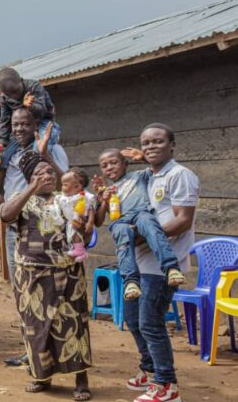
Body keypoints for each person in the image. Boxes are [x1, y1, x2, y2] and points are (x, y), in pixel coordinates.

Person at [0, 151, 92, 401]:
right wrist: (30, 189)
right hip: (31, 274)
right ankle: (41, 376)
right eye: (39, 173)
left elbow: (85, 230)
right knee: (36, 327)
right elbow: (5, 215)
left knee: (74, 326)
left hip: (67, 272)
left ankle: (81, 379)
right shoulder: (21, 199)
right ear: (29, 177)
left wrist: (84, 227)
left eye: (50, 171)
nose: (47, 175)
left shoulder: (67, 199)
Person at [118, 123, 198, 402]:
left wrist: (143, 236)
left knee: (151, 322)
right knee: (132, 319)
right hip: (138, 262)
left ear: (172, 145)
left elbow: (182, 220)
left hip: (163, 266)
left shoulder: (180, 175)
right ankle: (150, 369)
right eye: (146, 143)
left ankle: (167, 385)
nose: (151, 146)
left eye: (158, 141)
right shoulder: (144, 177)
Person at [0, 108, 69, 368]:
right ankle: (31, 348)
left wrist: (45, 155)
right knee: (23, 291)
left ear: (35, 125)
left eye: (25, 124)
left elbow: (67, 183)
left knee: (52, 295)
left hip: (49, 233)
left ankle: (55, 350)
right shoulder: (10, 152)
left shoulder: (52, 148)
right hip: (19, 228)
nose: (19, 129)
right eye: (15, 124)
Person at [93, 149, 186, 300]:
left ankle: (171, 268)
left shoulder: (139, 176)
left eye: (114, 163)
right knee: (122, 235)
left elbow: (161, 168)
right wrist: (103, 200)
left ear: (126, 164)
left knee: (150, 224)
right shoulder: (106, 190)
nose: (109, 167)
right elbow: (98, 221)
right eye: (104, 166)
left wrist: (144, 158)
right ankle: (130, 282)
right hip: (120, 221)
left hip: (141, 213)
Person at [0, 67, 59, 210]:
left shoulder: (33, 87)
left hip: (43, 123)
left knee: (39, 149)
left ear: (21, 81)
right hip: (21, 129)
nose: (14, 96)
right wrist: (1, 143)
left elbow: (42, 110)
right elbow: (4, 122)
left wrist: (31, 106)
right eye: (9, 93)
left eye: (16, 91)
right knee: (2, 156)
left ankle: (42, 193)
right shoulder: (4, 98)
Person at [55, 167, 96, 262]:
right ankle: (81, 252)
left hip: (81, 221)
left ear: (77, 187)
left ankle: (80, 251)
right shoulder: (62, 197)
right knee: (72, 236)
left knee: (76, 235)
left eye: (64, 185)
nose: (62, 187)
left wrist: (90, 222)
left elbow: (90, 209)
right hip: (70, 222)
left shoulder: (84, 197)